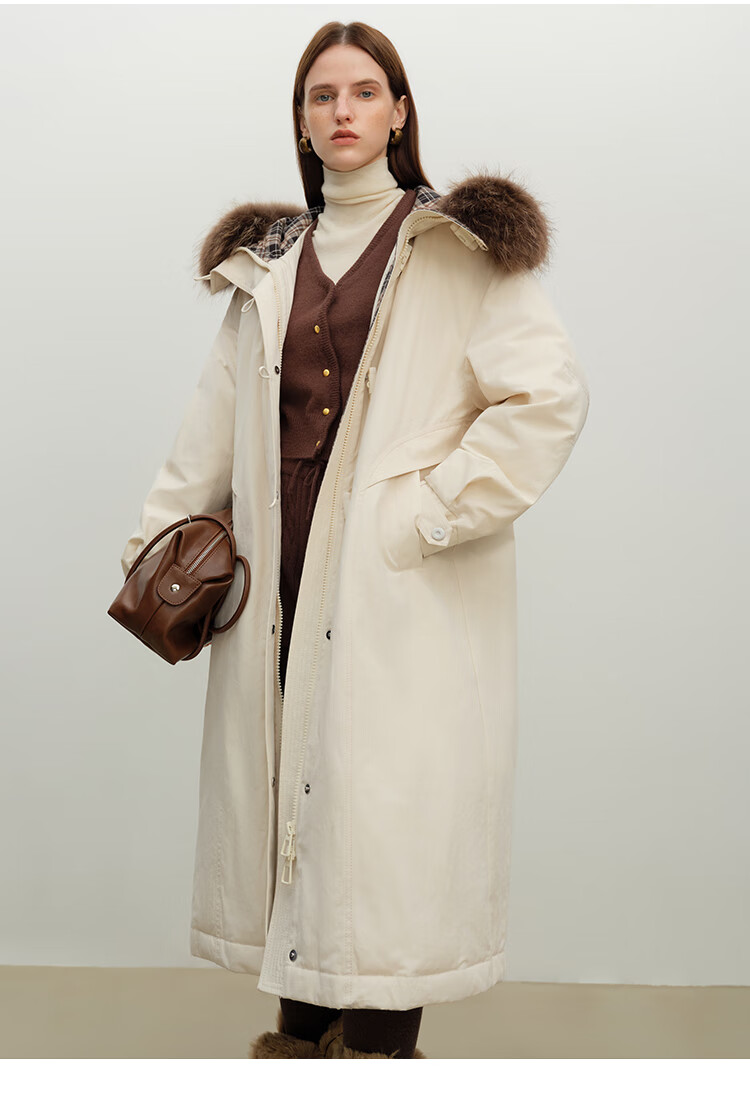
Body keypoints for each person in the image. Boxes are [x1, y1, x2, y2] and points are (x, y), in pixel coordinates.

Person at [120, 21, 590, 1059]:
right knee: (290, 811)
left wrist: (426, 513)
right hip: (277, 568)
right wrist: (156, 546)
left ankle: (372, 1058)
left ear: (399, 112)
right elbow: (211, 425)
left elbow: (545, 399)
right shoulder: (267, 264)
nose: (343, 111)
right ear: (301, 120)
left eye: (365, 92)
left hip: (393, 580)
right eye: (323, 95)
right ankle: (301, 1049)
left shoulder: (457, 249)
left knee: (382, 831)